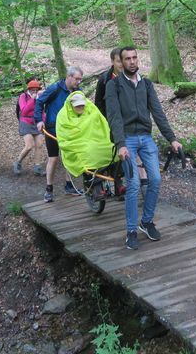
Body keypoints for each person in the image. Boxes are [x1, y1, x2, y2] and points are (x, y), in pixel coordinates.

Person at [105, 47, 182, 250]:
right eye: (127, 59)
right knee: (134, 183)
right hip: (127, 139)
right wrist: (120, 144)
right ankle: (131, 231)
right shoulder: (114, 86)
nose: (131, 61)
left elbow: (158, 113)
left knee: (155, 179)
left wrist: (172, 139)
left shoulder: (146, 84)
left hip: (146, 138)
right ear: (120, 62)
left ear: (138, 59)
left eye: (134, 57)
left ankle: (146, 222)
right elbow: (114, 117)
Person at [95, 47, 148, 193]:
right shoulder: (104, 80)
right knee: (116, 151)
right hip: (111, 122)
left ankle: (140, 179)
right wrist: (105, 121)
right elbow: (98, 103)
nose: (122, 65)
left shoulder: (133, 77)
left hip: (131, 122)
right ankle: (117, 182)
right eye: (119, 61)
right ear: (113, 62)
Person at [34, 66, 84, 202]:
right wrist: (39, 120)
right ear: (69, 76)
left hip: (70, 130)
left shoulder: (78, 92)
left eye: (80, 79)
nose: (79, 82)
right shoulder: (55, 88)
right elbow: (39, 102)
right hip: (52, 129)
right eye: (77, 79)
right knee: (54, 158)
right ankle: (49, 189)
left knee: (69, 157)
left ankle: (69, 186)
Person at [56, 92, 115, 180]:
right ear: (71, 105)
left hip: (96, 142)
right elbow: (64, 136)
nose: (80, 107)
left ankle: (116, 180)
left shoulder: (92, 111)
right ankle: (91, 182)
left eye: (82, 105)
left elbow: (102, 127)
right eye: (77, 106)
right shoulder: (63, 116)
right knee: (88, 153)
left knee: (113, 150)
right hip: (76, 145)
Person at [13, 79, 45, 176]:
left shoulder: (40, 97)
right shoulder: (23, 96)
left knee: (39, 145)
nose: (35, 92)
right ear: (29, 89)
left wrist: (43, 121)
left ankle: (37, 167)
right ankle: (17, 162)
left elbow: (42, 111)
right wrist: (32, 99)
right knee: (29, 146)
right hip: (25, 122)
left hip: (36, 122)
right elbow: (24, 111)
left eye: (36, 90)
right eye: (33, 90)